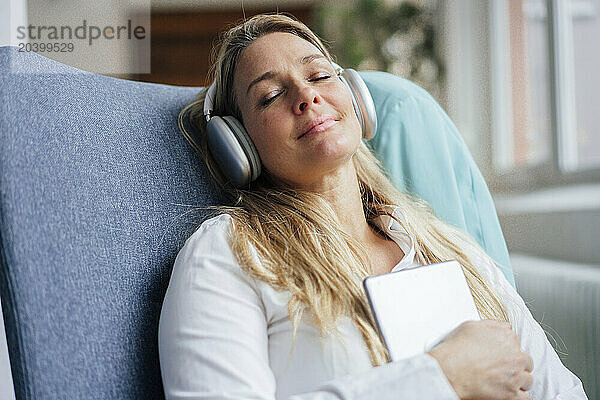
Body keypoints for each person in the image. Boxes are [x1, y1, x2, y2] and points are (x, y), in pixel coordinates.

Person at [159, 13, 587, 400]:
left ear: (356, 98)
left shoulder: (449, 249)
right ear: (239, 144)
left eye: (320, 75)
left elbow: (561, 391)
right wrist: (442, 377)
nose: (307, 96)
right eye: (271, 95)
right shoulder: (227, 255)